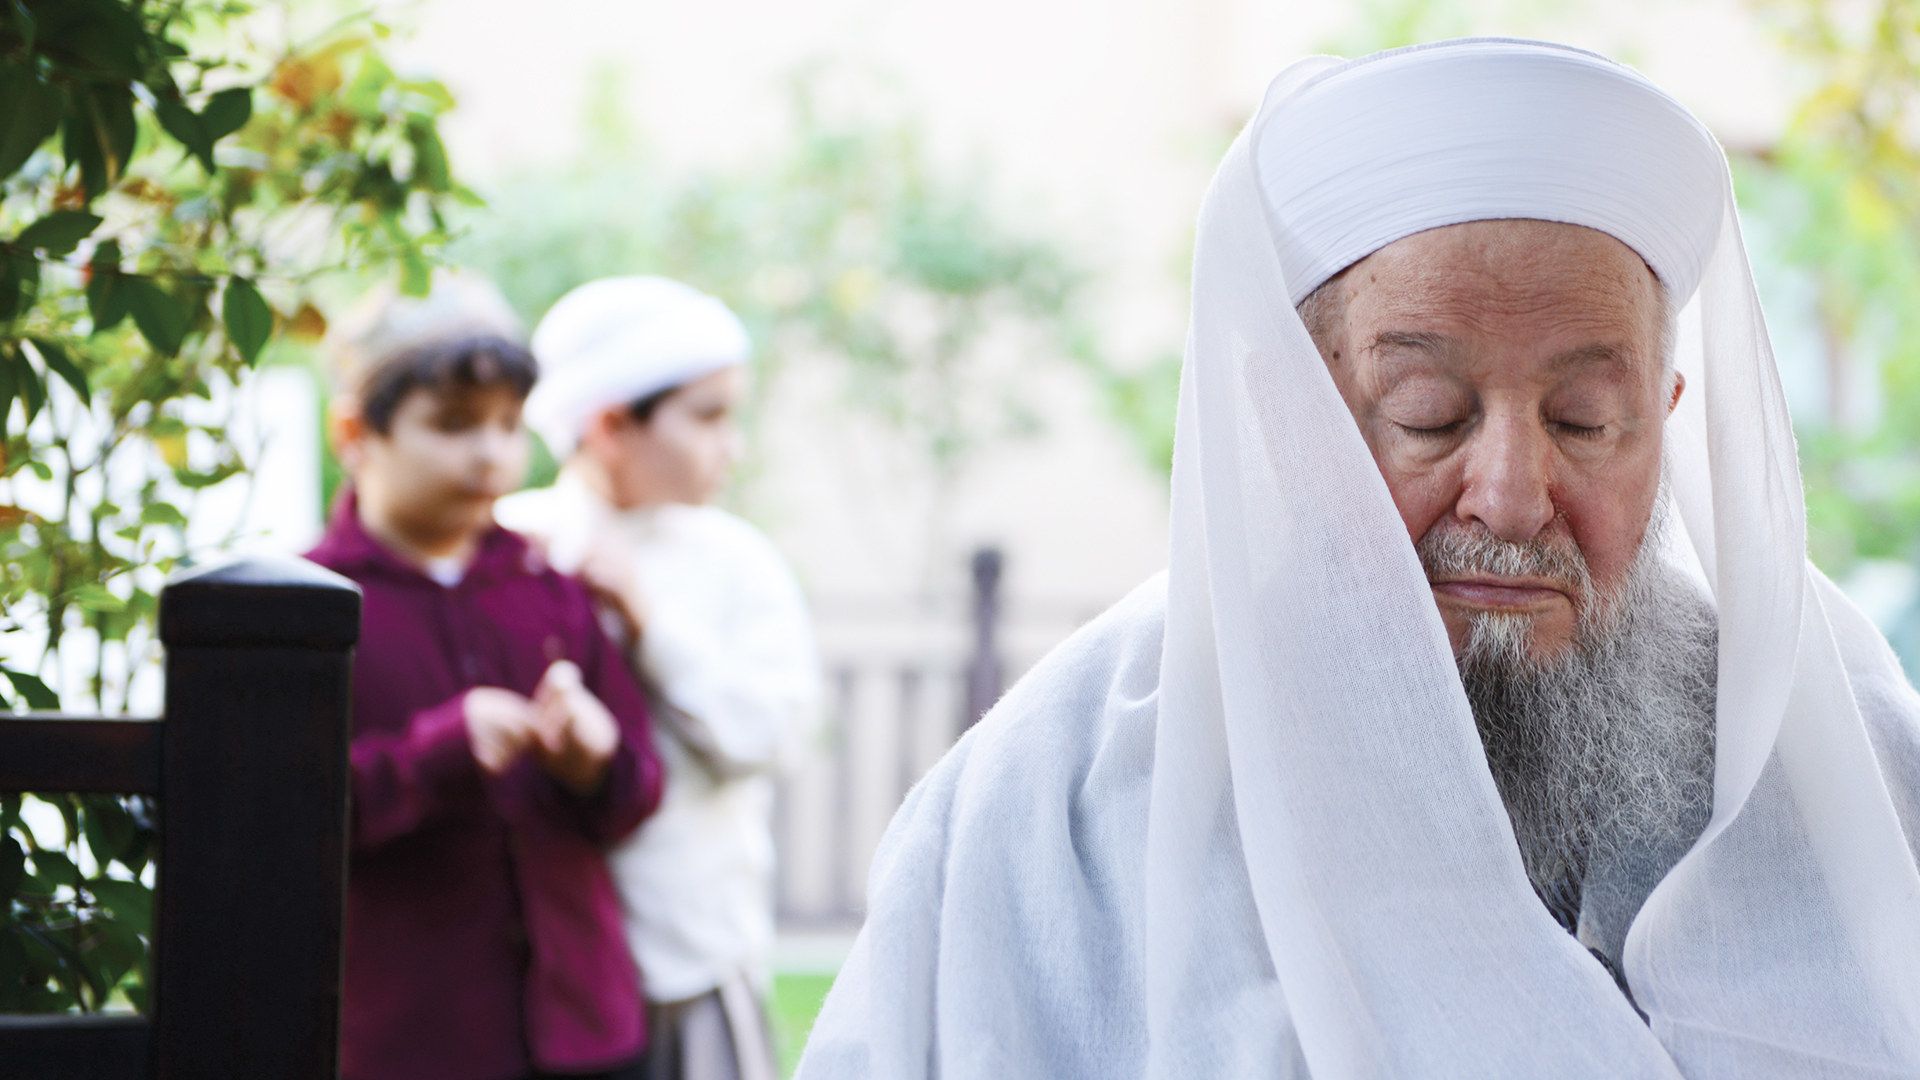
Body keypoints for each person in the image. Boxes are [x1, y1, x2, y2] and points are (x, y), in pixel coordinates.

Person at [796, 39, 1920, 1079]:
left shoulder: (1837, 751)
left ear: (1664, 418)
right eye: (1429, 413)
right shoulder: (1050, 803)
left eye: (1584, 418)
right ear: (1296, 419)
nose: (1515, 495)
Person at [307, 275, 666, 1080]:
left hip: (587, 1030)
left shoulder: (551, 589)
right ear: (355, 432)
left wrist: (594, 759)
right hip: (416, 1040)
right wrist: (439, 749)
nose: (491, 453)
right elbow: (285, 822)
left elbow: (638, 791)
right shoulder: (310, 611)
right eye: (453, 425)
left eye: (508, 425)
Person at [496, 277, 821, 1080]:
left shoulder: (735, 561)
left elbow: (772, 736)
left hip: (691, 962)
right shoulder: (516, 546)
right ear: (609, 424)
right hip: (535, 968)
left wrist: (653, 630)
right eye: (707, 416)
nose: (729, 445)